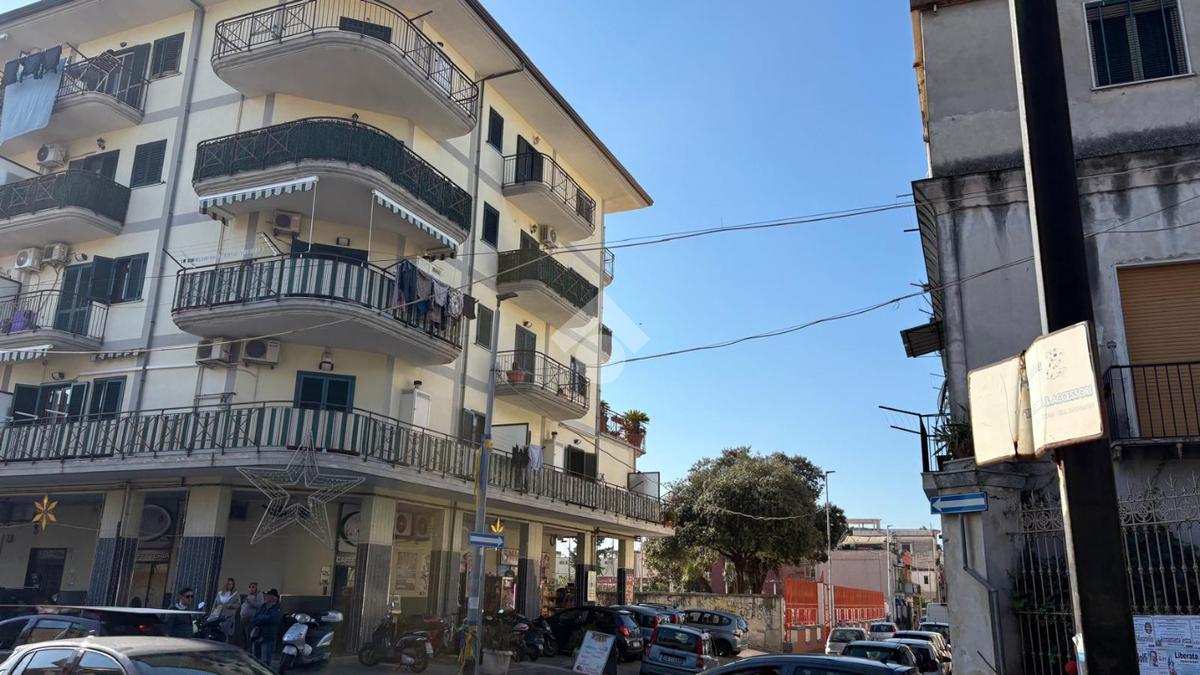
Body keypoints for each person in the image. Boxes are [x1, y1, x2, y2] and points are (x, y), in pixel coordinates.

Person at [251, 588, 282, 667]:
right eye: (266, 595)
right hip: (258, 636)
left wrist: (261, 618)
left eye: (268, 596)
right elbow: (254, 618)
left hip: (268, 638)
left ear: (274, 598)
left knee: (265, 661)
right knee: (255, 660)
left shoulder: (277, 608)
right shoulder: (263, 607)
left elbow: (273, 619)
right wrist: (264, 618)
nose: (265, 597)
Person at [238, 581, 264, 648]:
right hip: (243, 616)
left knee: (249, 634)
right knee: (242, 633)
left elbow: (260, 605)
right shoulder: (248, 595)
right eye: (250, 587)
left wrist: (251, 602)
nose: (251, 589)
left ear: (256, 588)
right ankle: (244, 647)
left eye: (253, 587)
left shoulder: (259, 595)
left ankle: (249, 648)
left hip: (250, 618)